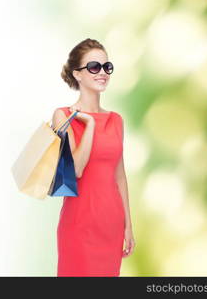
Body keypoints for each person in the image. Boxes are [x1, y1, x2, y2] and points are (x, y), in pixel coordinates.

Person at [52, 38, 135, 276]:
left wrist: (128, 224)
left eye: (106, 67)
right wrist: (88, 125)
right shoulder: (63, 116)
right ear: (77, 74)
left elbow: (119, 176)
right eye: (94, 67)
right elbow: (76, 168)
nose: (103, 73)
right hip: (79, 225)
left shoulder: (116, 120)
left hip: (111, 224)